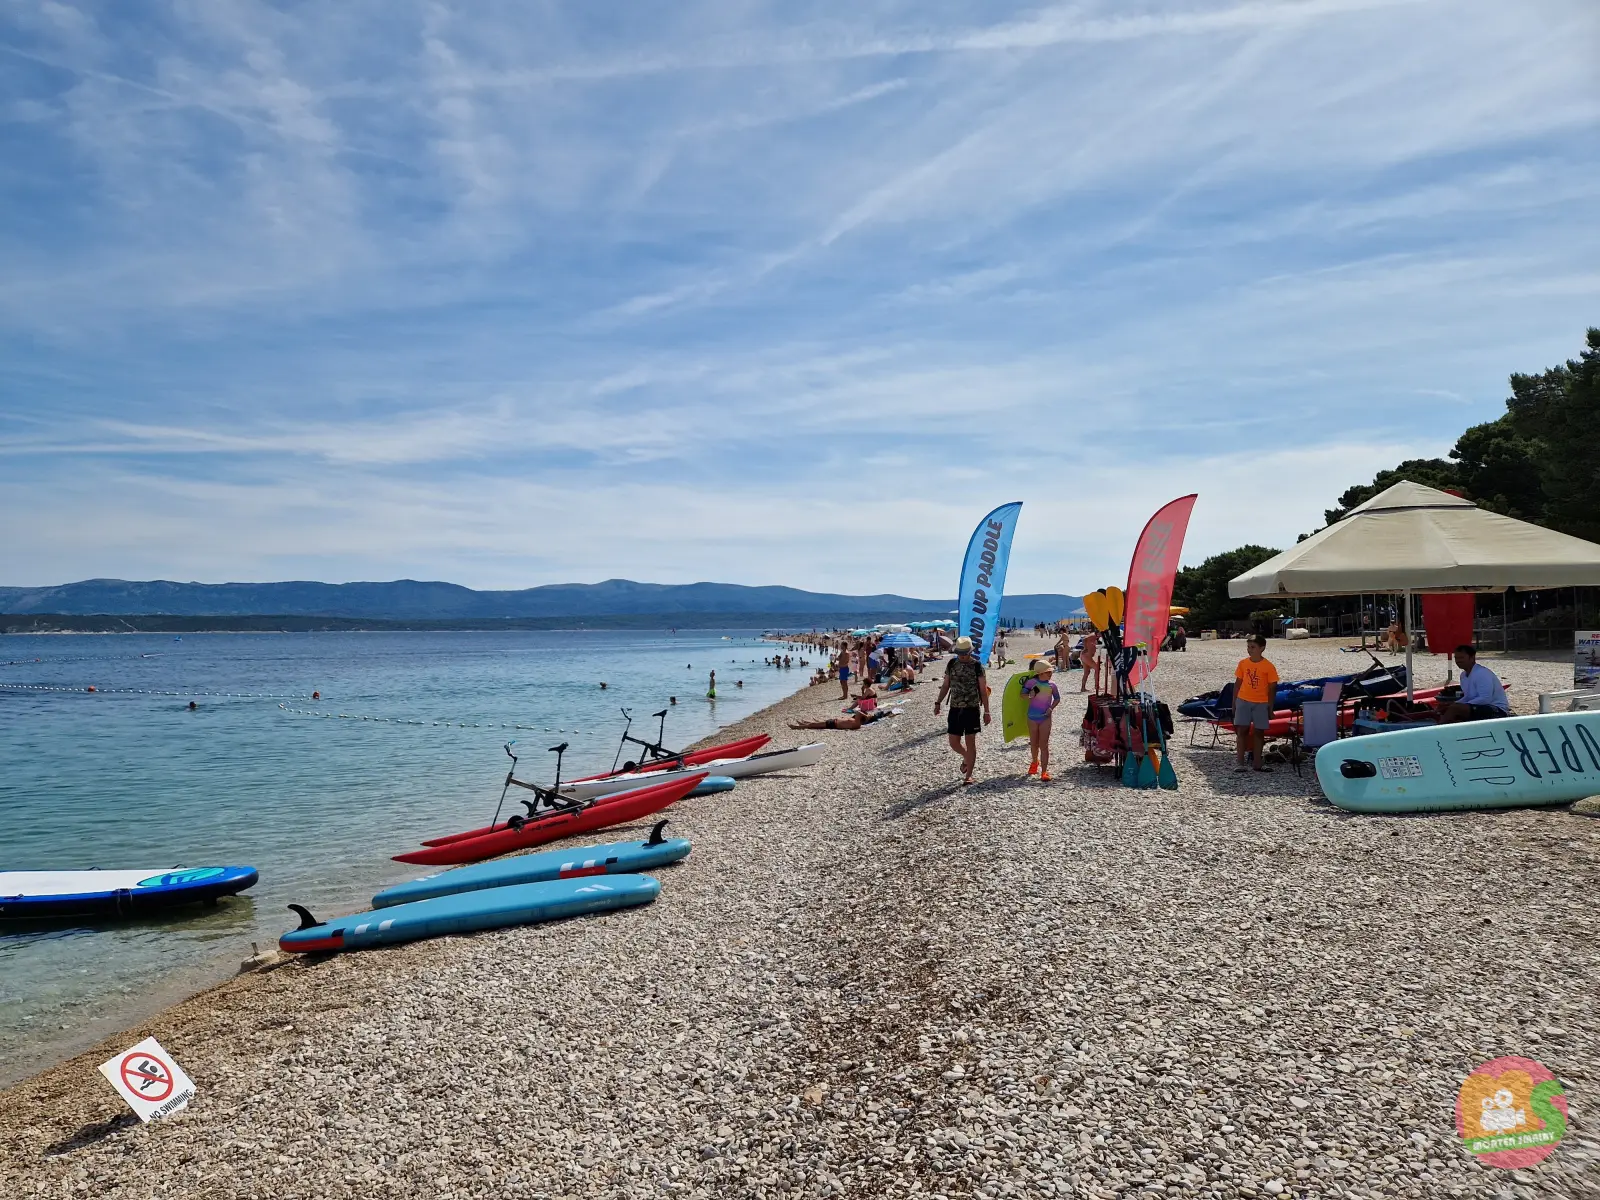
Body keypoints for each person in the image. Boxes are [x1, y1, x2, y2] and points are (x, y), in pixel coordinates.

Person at [934, 635, 990, 785]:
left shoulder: (977, 666)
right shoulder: (952, 664)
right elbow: (946, 685)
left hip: (972, 709)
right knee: (953, 742)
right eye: (960, 653)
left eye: (965, 653)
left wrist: (987, 711)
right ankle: (966, 757)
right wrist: (938, 702)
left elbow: (983, 690)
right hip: (955, 708)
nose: (963, 656)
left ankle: (968, 775)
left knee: (970, 742)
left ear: (970, 652)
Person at [1233, 634, 1279, 772]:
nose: (1249, 650)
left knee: (1259, 732)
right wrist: (1234, 703)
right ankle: (1240, 763)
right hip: (1243, 700)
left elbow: (1272, 688)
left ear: (1262, 648)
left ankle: (1257, 763)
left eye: (1253, 647)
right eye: (1248, 647)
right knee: (1242, 731)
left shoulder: (1268, 666)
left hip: (1261, 702)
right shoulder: (1243, 663)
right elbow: (1237, 683)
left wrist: (1270, 707)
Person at [1437, 645, 1509, 723]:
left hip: (1497, 710)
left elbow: (1485, 699)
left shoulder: (1481, 673)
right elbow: (1468, 697)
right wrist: (1453, 704)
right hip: (1480, 707)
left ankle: (1439, 727)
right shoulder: (1463, 675)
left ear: (1472, 658)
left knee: (1455, 708)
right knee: (1446, 707)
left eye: (1461, 658)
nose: (1458, 661)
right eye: (1456, 658)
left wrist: (1459, 706)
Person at [1021, 661, 1061, 781]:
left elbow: (1057, 698)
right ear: (1041, 673)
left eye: (1051, 672)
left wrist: (1051, 708)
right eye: (1048, 672)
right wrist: (1030, 695)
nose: (1050, 674)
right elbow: (1022, 695)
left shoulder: (1052, 685)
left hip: (1045, 717)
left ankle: (1044, 771)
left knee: (1044, 745)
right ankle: (1034, 762)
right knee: (1034, 743)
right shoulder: (1031, 682)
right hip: (1032, 717)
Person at [789, 708, 891, 731]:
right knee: (815, 723)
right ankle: (803, 723)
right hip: (834, 722)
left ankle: (797, 727)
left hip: (833, 724)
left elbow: (858, 712)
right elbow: (858, 713)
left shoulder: (857, 724)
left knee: (813, 726)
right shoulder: (856, 722)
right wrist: (866, 716)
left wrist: (867, 716)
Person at [1079, 629, 1100, 693]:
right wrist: (1085, 648)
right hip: (1086, 656)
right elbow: (1084, 639)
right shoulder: (1093, 635)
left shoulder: (1095, 637)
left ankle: (1083, 688)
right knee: (1097, 668)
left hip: (1085, 656)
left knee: (1087, 672)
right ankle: (1097, 686)